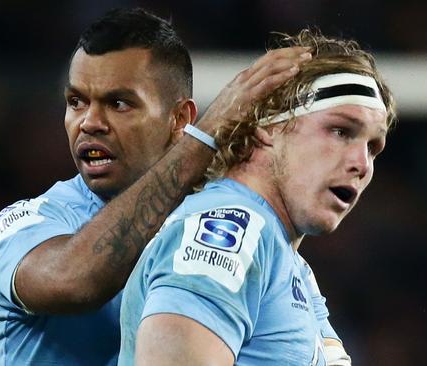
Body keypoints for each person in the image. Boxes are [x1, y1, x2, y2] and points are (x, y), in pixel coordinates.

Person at [0, 8, 312, 366]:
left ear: (180, 118)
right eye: (76, 102)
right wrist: (207, 135)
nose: (89, 122)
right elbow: (74, 280)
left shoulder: (223, 227)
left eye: (118, 103)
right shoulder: (26, 224)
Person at [118, 28, 397, 366]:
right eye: (340, 131)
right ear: (268, 126)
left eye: (373, 147)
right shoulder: (230, 232)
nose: (361, 164)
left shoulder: (292, 266)